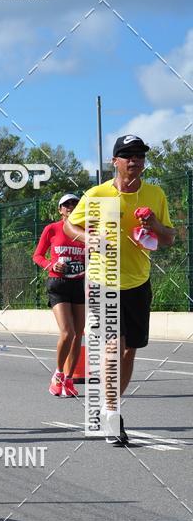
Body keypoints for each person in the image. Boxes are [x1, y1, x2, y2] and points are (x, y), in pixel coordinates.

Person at [65, 134, 175, 446]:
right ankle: (112, 414)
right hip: (103, 281)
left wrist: (154, 225)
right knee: (114, 345)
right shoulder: (97, 194)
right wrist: (89, 239)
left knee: (130, 350)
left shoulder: (155, 194)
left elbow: (169, 238)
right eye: (128, 155)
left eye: (139, 155)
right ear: (115, 161)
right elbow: (71, 225)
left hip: (138, 282)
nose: (135, 160)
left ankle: (107, 405)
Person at [32, 193, 86, 397]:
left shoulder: (86, 231)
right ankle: (58, 374)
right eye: (66, 204)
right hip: (58, 284)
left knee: (78, 334)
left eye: (75, 203)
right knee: (67, 332)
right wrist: (51, 265)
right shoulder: (52, 229)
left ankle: (69, 379)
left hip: (78, 284)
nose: (71, 206)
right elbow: (37, 255)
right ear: (60, 210)